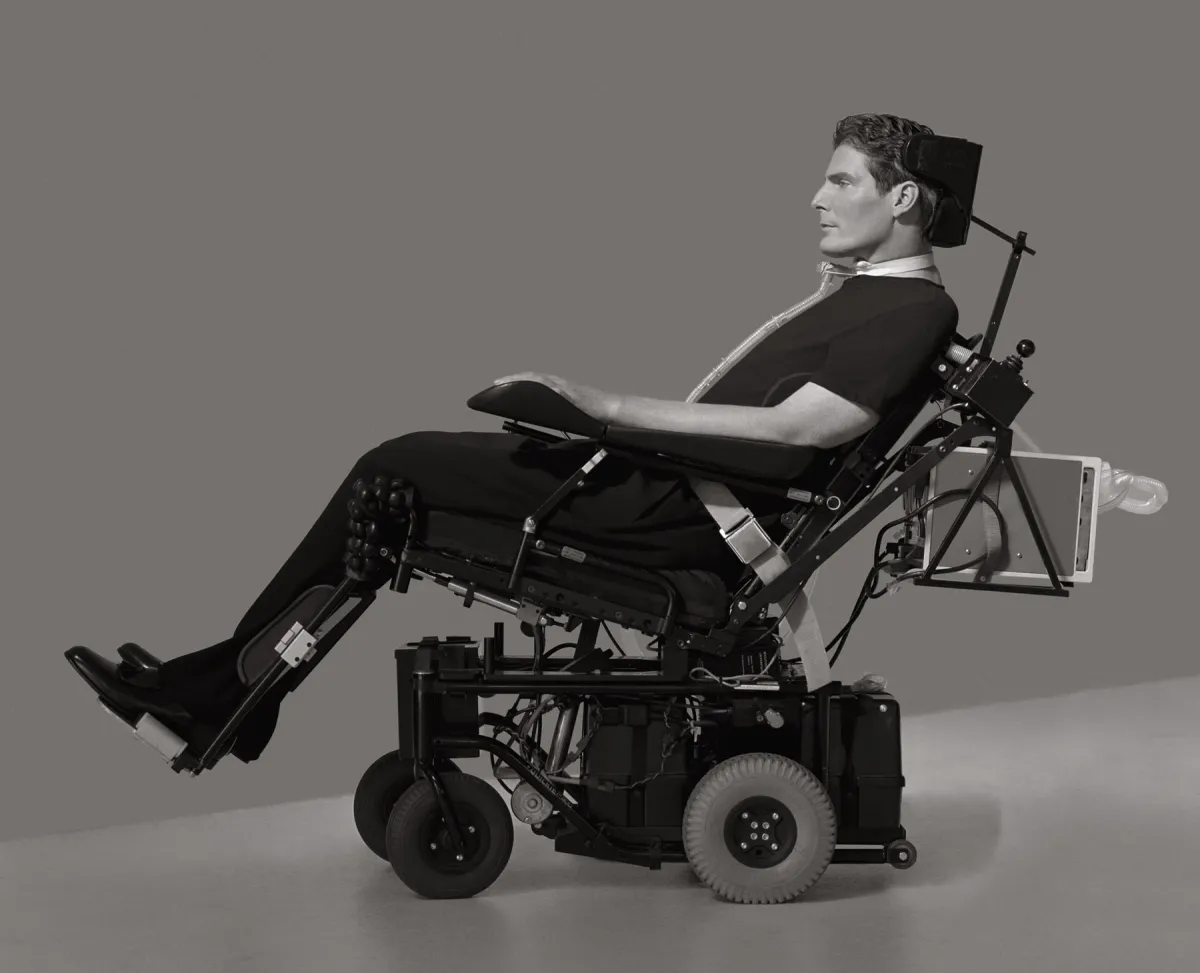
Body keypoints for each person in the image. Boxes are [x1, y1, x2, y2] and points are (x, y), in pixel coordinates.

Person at [66, 112, 961, 763]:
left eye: (841, 179)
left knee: (395, 468)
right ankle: (238, 690)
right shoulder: (865, 295)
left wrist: (604, 405)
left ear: (906, 196)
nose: (816, 196)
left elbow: (807, 428)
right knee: (392, 490)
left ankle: (227, 691)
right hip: (664, 488)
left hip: (679, 513)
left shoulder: (916, 307)